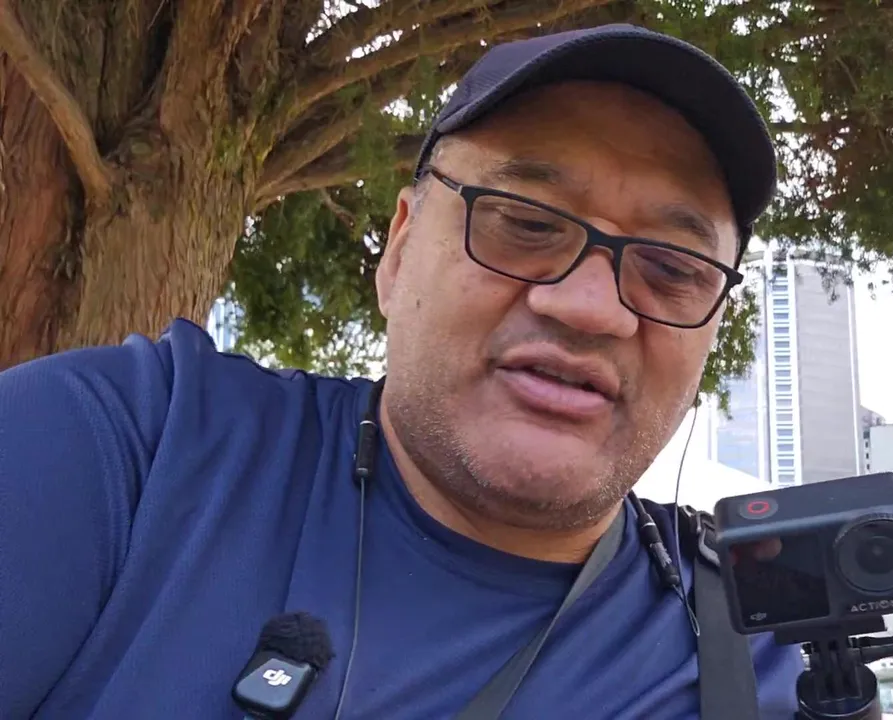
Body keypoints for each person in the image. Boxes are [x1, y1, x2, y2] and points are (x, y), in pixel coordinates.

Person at [0, 23, 803, 720]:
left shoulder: (761, 648)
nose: (591, 308)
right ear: (399, 250)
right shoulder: (129, 448)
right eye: (525, 223)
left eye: (671, 269)